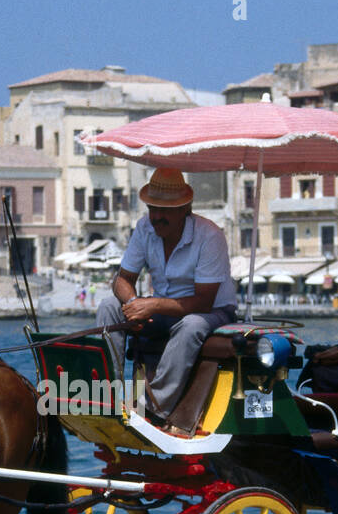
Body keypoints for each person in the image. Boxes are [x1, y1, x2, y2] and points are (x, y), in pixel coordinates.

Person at [96, 168, 237, 432]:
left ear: (185, 208)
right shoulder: (144, 228)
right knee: (108, 307)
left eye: (165, 210)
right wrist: (133, 305)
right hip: (164, 309)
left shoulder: (210, 235)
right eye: (153, 209)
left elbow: (203, 302)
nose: (157, 217)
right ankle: (108, 395)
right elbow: (122, 280)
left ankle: (154, 408)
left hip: (213, 311)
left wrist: (152, 305)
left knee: (191, 325)